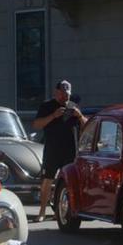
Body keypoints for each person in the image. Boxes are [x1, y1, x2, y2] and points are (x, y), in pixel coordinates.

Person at [32, 80, 87, 222]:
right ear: (56, 93)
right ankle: (42, 211)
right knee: (47, 180)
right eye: (62, 94)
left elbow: (87, 127)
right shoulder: (47, 106)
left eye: (67, 94)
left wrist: (79, 116)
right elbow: (36, 125)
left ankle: (60, 211)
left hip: (70, 150)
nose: (65, 97)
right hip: (52, 148)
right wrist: (53, 116)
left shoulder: (74, 107)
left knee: (66, 181)